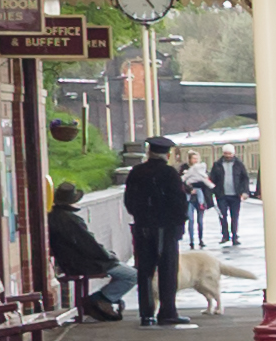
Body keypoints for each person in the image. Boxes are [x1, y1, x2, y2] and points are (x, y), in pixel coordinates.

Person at [119, 138, 190, 329]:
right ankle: (167, 312)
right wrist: (179, 223)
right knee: (167, 270)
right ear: (167, 155)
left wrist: (141, 216)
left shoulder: (136, 172)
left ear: (149, 153)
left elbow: (129, 200)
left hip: (142, 228)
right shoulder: (169, 173)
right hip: (165, 229)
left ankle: (146, 314)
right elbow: (179, 202)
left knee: (144, 271)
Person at [47, 182, 121, 320]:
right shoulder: (71, 220)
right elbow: (89, 244)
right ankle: (96, 300)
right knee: (130, 275)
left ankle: (98, 301)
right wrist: (108, 257)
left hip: (69, 261)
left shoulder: (54, 217)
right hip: (81, 263)